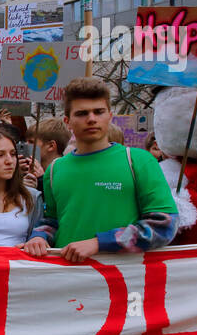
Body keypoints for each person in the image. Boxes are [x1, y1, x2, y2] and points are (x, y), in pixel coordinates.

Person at [22, 76, 178, 263]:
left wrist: (100, 242)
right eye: (81, 113)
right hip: (66, 277)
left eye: (99, 112)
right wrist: (39, 237)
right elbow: (52, 221)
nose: (91, 119)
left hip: (121, 279)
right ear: (67, 121)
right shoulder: (55, 169)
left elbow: (165, 225)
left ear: (109, 116)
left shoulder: (138, 160)